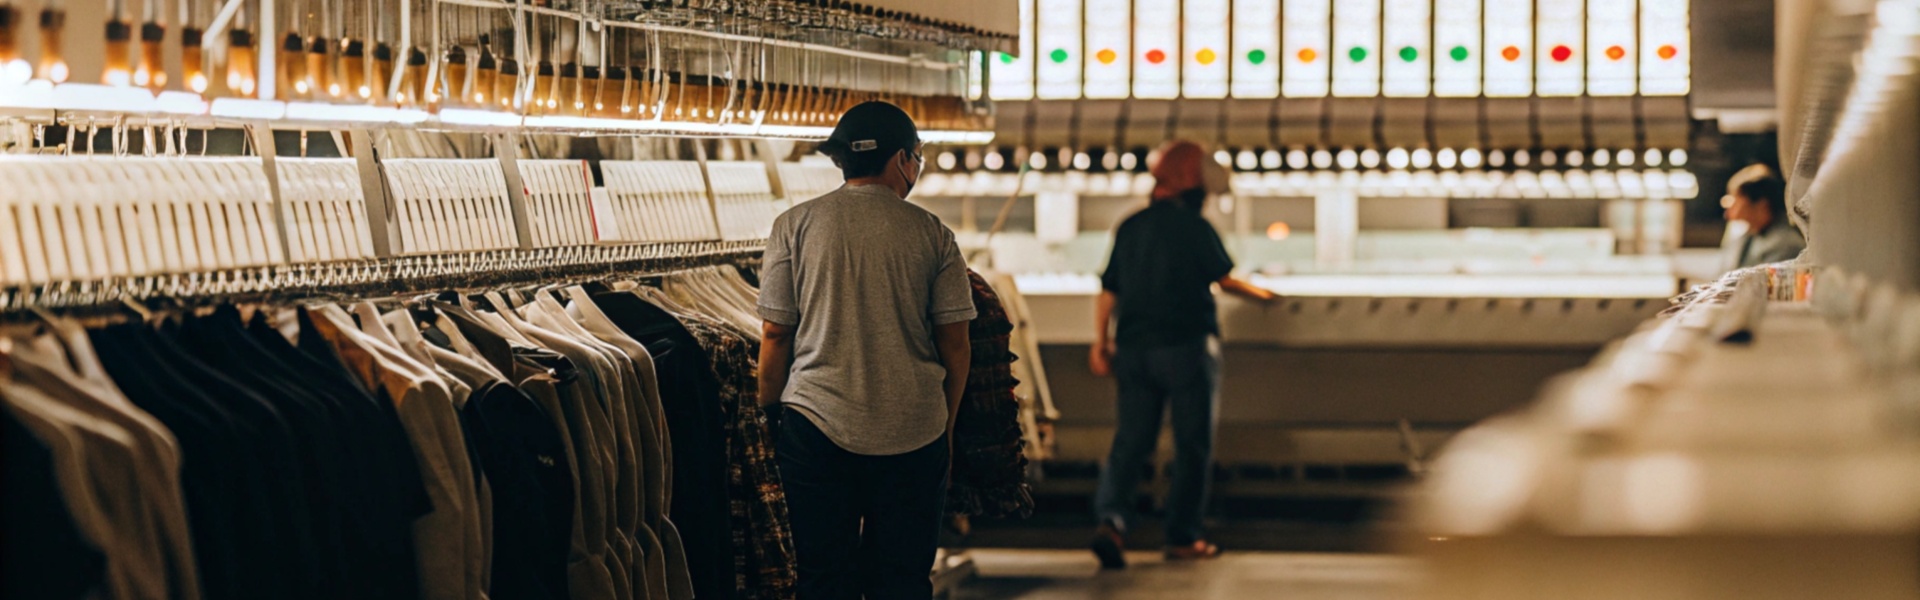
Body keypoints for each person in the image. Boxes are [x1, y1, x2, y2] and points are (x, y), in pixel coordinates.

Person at [755, 101, 975, 600]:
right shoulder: (933, 234)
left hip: (815, 425)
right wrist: (947, 424)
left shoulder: (793, 225)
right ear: (901, 159)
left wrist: (770, 415)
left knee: (821, 576)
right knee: (901, 579)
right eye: (918, 156)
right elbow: (956, 344)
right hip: (914, 429)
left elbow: (776, 334)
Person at [1086, 140, 1278, 569]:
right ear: (1192, 184)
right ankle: (1182, 537)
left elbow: (1108, 289)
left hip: (1134, 350)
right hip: (1186, 349)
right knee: (1191, 446)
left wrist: (1100, 342)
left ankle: (1112, 524)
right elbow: (1225, 280)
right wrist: (1265, 294)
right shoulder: (1195, 227)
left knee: (1131, 443)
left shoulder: (1131, 225)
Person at [1718, 168, 1805, 271]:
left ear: (1762, 205)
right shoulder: (1749, 236)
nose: (1728, 212)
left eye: (1736, 202)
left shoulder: (1786, 245)